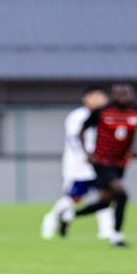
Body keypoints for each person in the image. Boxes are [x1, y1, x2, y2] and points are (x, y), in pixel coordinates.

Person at [70, 83, 137, 247]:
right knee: (122, 195)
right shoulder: (102, 111)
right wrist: (88, 153)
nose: (123, 97)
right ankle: (116, 236)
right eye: (119, 94)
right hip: (102, 161)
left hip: (121, 162)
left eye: (126, 94)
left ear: (132, 95)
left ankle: (69, 216)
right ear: (114, 96)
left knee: (105, 202)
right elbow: (81, 131)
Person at [40, 86, 108, 240]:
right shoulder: (77, 116)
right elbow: (74, 140)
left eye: (101, 96)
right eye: (95, 96)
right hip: (79, 167)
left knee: (106, 196)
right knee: (74, 198)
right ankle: (53, 218)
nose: (99, 100)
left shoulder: (106, 116)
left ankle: (107, 230)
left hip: (101, 166)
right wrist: (88, 156)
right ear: (86, 98)